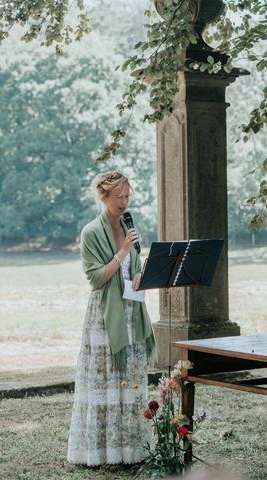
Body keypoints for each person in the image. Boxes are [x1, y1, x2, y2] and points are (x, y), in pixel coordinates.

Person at [67, 171, 156, 466]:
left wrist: (141, 273)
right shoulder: (91, 231)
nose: (124, 201)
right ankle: (103, 454)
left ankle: (130, 451)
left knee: (129, 379)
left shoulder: (130, 226)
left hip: (132, 311)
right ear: (103, 197)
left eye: (127, 196)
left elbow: (133, 269)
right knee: (106, 382)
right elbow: (96, 279)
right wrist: (122, 252)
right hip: (106, 317)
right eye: (118, 196)